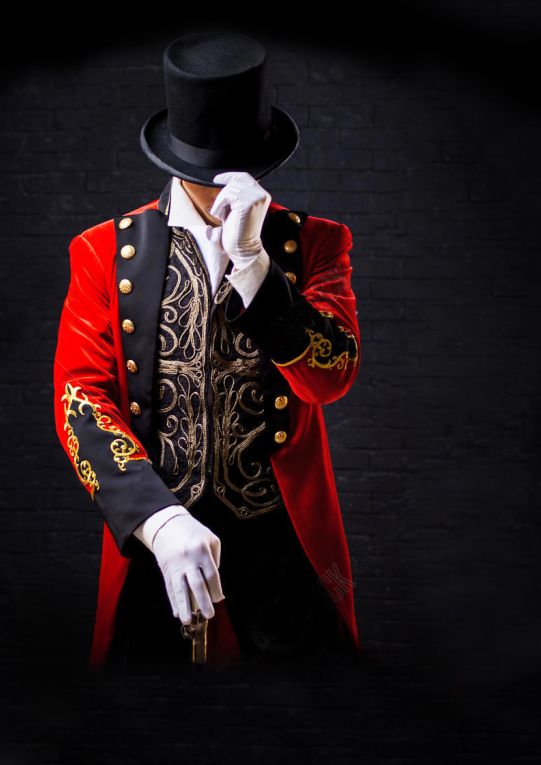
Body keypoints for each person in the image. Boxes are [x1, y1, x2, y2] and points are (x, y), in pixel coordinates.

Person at [52, 30, 364, 671]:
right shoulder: (102, 252)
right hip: (157, 542)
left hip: (284, 549)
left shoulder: (315, 245)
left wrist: (255, 265)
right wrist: (158, 520)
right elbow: (80, 400)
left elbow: (330, 376)